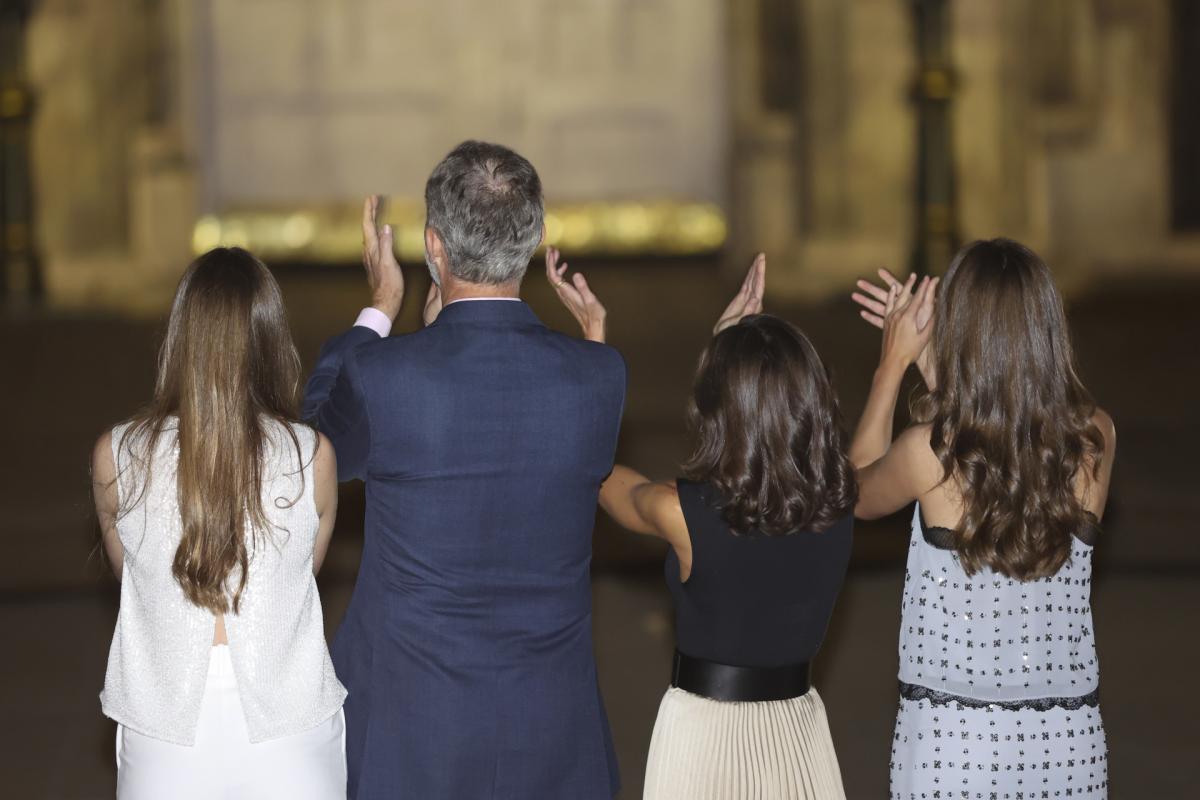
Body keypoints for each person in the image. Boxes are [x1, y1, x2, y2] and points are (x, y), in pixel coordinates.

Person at [303, 141, 626, 799]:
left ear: (434, 248)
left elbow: (307, 455)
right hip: (550, 734)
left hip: (413, 733)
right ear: (534, 240)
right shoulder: (601, 377)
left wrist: (379, 310)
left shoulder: (385, 377)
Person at [548, 252, 855, 799]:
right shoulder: (839, 497)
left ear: (719, 407)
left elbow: (595, 474)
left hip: (706, 736)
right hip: (799, 732)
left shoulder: (681, 512)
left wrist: (594, 342)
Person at [849, 239, 1115, 799]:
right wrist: (943, 380)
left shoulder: (929, 452)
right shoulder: (1095, 437)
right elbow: (1010, 450)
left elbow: (856, 490)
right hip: (1068, 745)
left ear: (959, 333)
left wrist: (893, 364)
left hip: (954, 743)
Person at [93, 247, 347, 800]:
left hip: (166, 730)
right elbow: (300, 576)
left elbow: (132, 578)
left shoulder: (117, 455)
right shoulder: (312, 457)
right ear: (270, 340)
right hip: (289, 725)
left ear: (180, 338)